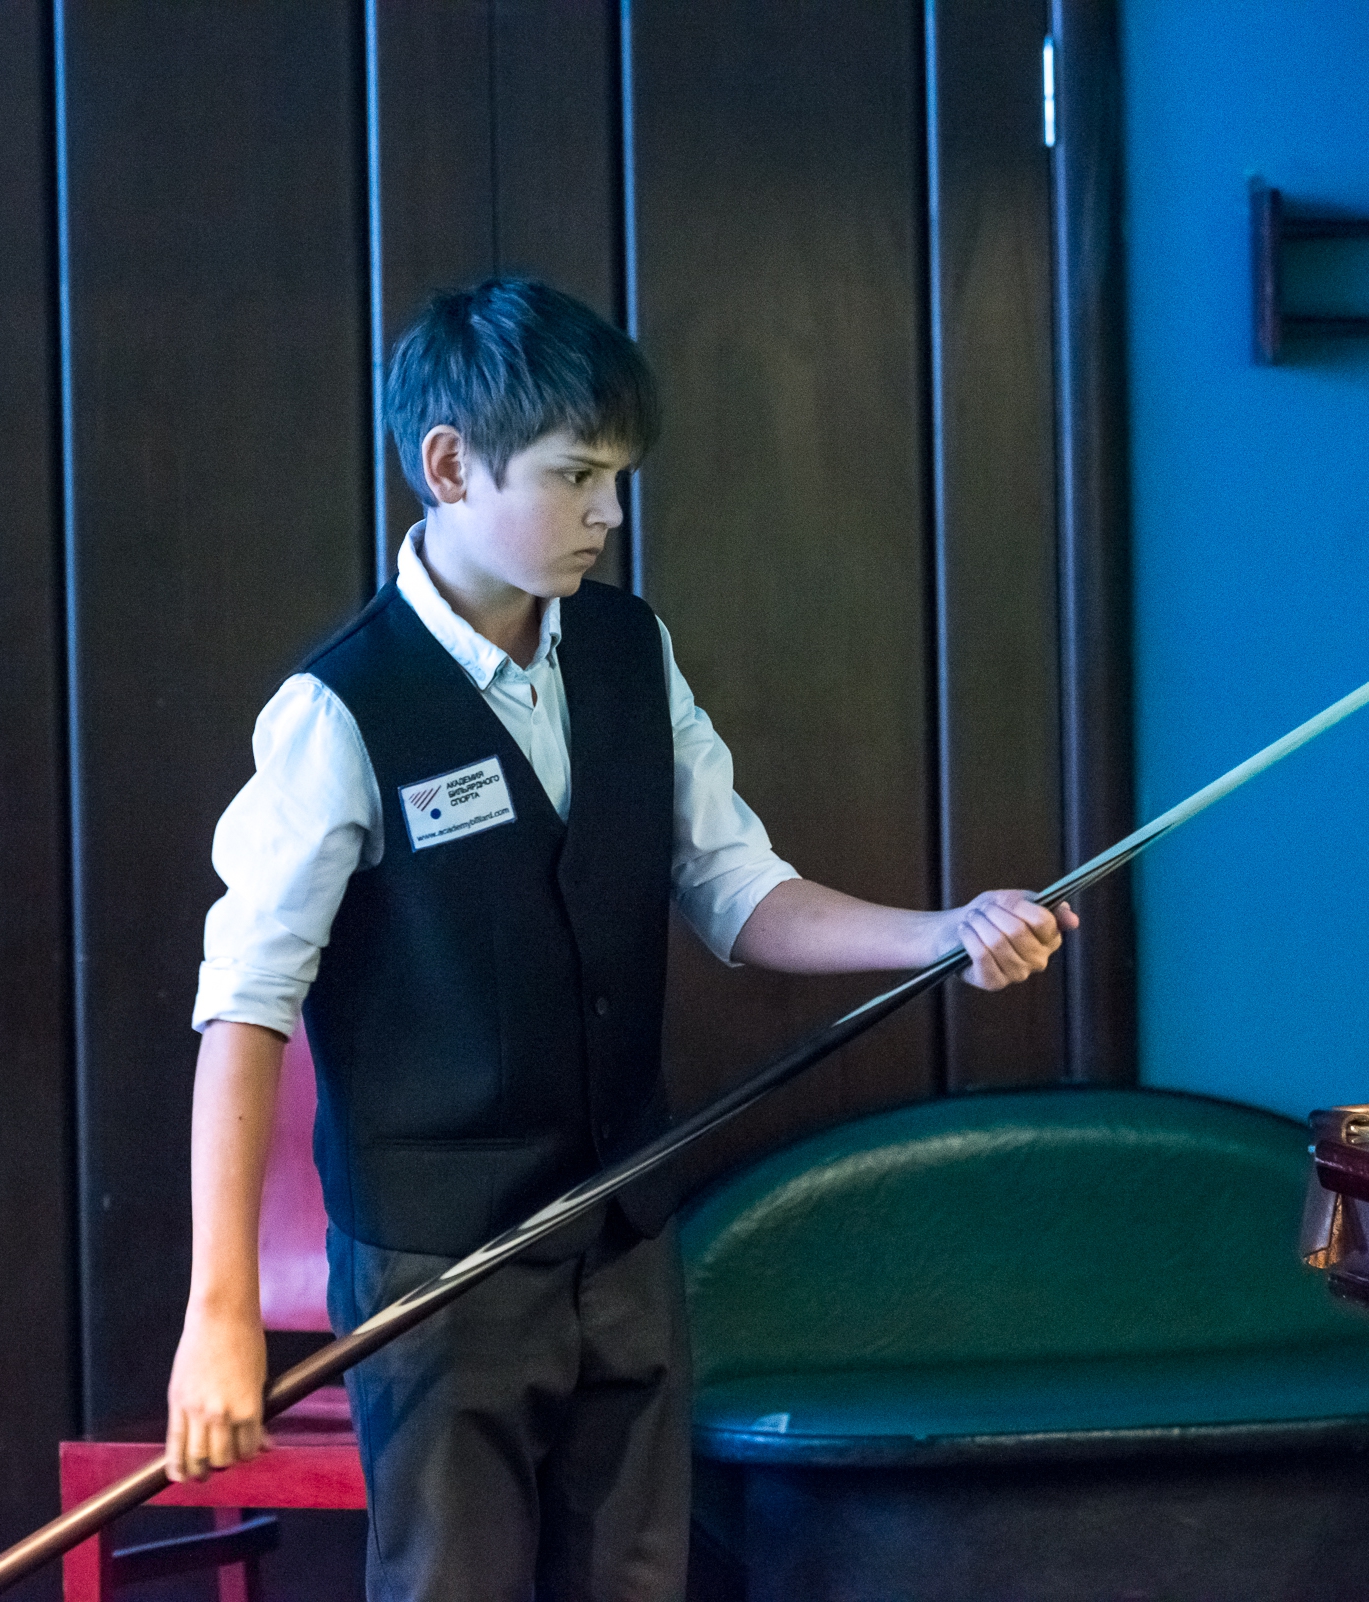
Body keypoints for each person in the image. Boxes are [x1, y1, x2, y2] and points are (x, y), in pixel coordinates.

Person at [171, 276, 1074, 1599]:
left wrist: (943, 934)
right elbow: (245, 1010)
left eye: (617, 478)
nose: (610, 512)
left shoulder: (627, 649)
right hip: (440, 1266)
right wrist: (220, 1312)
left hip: (624, 1231)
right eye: (576, 476)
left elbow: (738, 889)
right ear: (449, 467)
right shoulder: (336, 712)